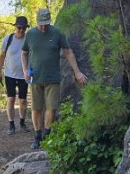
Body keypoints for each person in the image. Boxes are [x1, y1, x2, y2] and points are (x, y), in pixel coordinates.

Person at [20, 8, 88, 149]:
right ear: (37, 21)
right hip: (36, 78)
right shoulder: (30, 34)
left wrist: (77, 72)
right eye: (41, 24)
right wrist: (25, 70)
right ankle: (37, 136)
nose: (43, 26)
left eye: (46, 23)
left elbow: (68, 52)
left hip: (53, 78)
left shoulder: (57, 33)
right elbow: (24, 53)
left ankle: (47, 134)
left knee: (51, 108)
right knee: (36, 109)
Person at [0, 16, 30, 134]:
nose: (21, 30)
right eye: (19, 27)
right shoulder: (8, 39)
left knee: (22, 101)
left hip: (23, 75)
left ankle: (22, 122)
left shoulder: (28, 39)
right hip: (9, 74)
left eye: (24, 28)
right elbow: (2, 56)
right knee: (11, 99)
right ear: (15, 27)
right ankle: (11, 124)